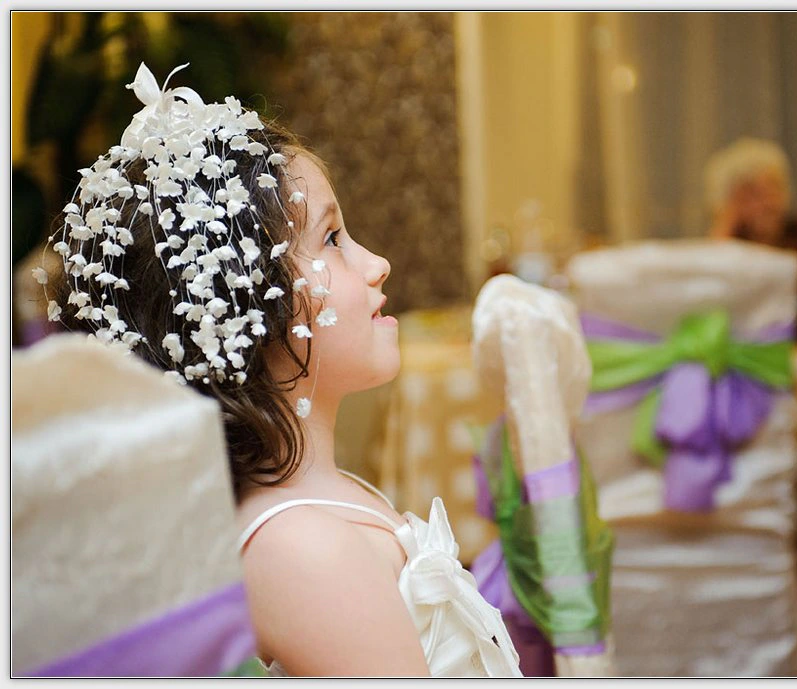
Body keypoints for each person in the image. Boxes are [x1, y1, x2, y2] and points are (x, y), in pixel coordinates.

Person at [39, 62, 522, 677]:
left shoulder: (328, 501)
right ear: (244, 303)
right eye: (332, 239)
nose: (377, 263)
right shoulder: (302, 549)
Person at [704, 137, 791, 246]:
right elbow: (716, 251)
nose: (770, 203)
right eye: (756, 195)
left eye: (775, 191)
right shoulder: (731, 243)